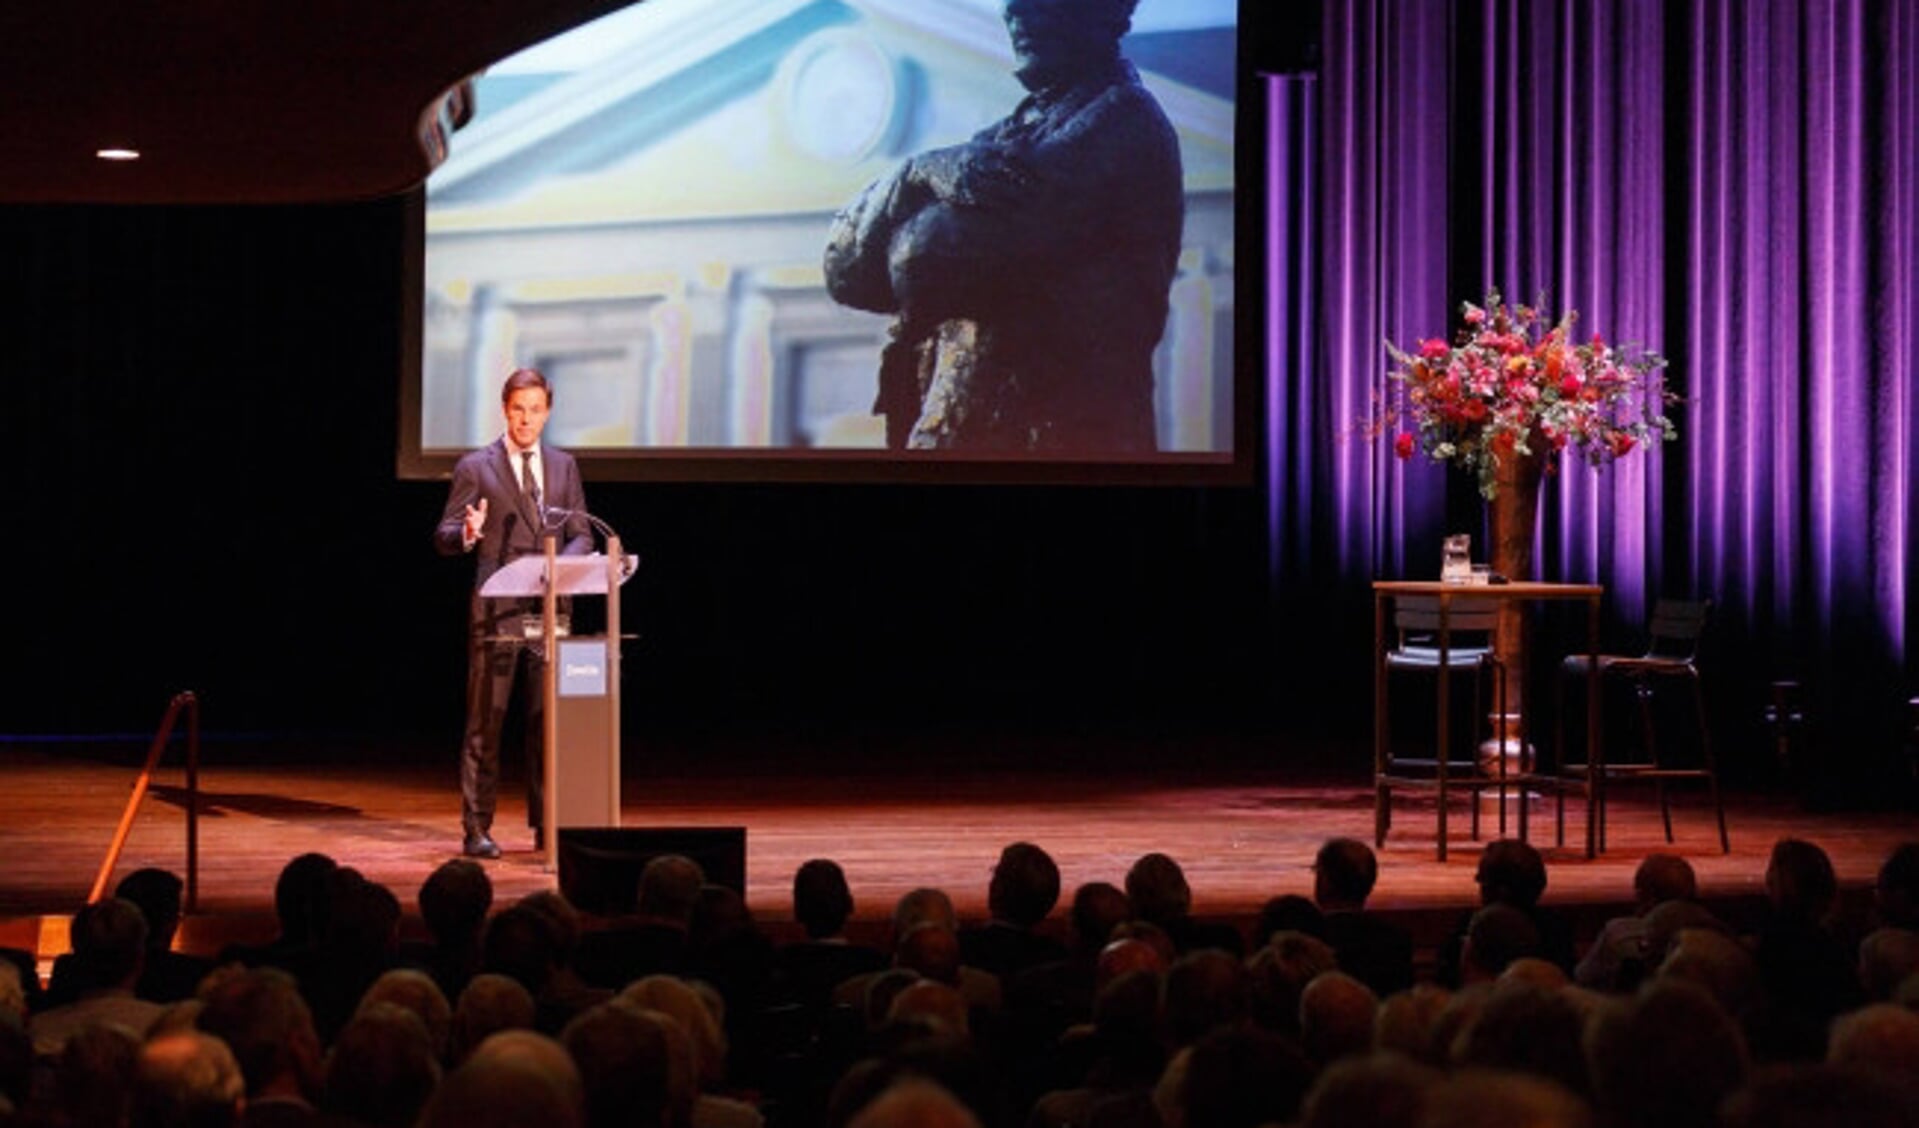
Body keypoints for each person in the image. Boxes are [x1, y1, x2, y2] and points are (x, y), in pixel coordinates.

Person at [822, 0, 1182, 454]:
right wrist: (915, 174)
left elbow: (926, 255)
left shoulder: (1124, 124)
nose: (1013, 9)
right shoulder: (995, 142)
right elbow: (845, 274)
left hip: (1059, 457)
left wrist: (914, 203)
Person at [434, 367, 591, 859]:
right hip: (497, 612)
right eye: (518, 409)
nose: (527, 419)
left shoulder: (564, 466)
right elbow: (443, 535)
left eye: (536, 410)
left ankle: (548, 825)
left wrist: (559, 566)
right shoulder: (476, 467)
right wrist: (468, 534)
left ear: (548, 412)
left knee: (548, 722)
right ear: (506, 409)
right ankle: (476, 827)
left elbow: (583, 532)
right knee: (488, 720)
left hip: (550, 610)